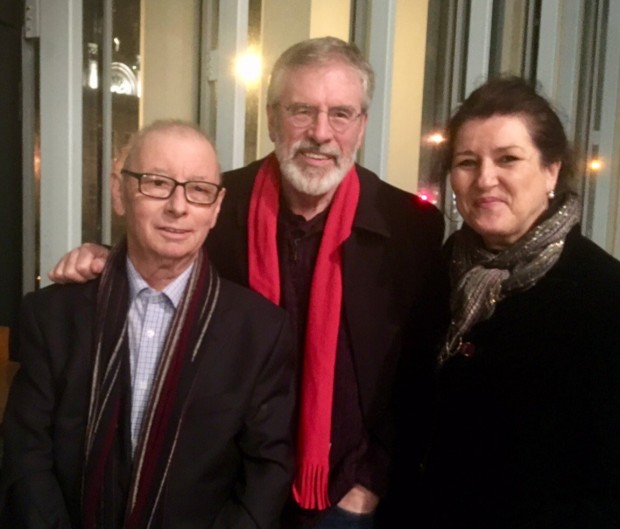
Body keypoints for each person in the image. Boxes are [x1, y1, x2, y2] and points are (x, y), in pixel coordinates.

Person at [46, 37, 449, 528]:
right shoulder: (213, 201)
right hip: (228, 488)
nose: (321, 133)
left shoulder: (411, 227)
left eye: (341, 114)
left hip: (344, 498)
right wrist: (102, 259)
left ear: (361, 126)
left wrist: (372, 479)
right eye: (302, 111)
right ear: (272, 118)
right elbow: (156, 260)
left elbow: (416, 374)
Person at [0, 120, 297, 529]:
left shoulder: (259, 331)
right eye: (157, 183)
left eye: (199, 190)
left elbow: (266, 473)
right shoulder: (51, 315)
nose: (178, 206)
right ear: (119, 193)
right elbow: (25, 452)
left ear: (215, 209)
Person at [420, 75, 620, 528]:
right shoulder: (434, 272)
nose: (485, 179)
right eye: (467, 162)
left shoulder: (604, 296)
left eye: (508, 159)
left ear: (551, 169)